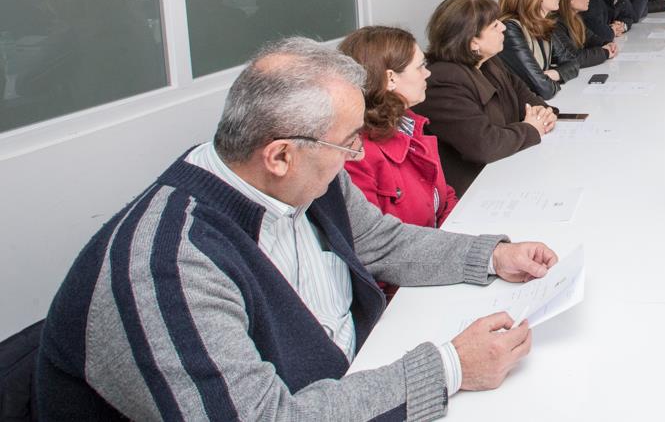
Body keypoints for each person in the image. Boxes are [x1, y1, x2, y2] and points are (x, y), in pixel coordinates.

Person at [37, 37, 558, 420]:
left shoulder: (305, 173)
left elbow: (381, 241)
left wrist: (491, 256)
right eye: (349, 142)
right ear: (281, 155)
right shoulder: (169, 266)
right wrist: (450, 368)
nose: (358, 155)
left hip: (353, 377)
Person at [414, 0, 556, 194]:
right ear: (473, 42)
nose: (503, 27)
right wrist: (531, 128)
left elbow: (528, 98)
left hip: (507, 168)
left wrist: (543, 115)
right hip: (473, 190)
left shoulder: (489, 62)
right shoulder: (442, 82)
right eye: (495, 25)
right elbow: (484, 145)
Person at [340, 26, 457, 232]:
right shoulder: (357, 154)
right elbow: (373, 239)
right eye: (420, 67)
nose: (428, 73)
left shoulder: (409, 123)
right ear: (391, 79)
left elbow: (443, 196)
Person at [17, 0, 163, 116]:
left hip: (89, 119)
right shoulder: (137, 25)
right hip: (140, 112)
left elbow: (25, 85)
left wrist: (56, 39)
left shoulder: (77, 37)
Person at [497, 0, 566, 100]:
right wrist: (553, 79)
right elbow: (544, 89)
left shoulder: (539, 23)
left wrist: (555, 74)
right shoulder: (510, 29)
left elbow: (572, 61)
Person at [553, 0, 617, 70]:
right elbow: (573, 57)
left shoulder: (576, 19)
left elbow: (591, 39)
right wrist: (605, 52)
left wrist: (606, 44)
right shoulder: (555, 24)